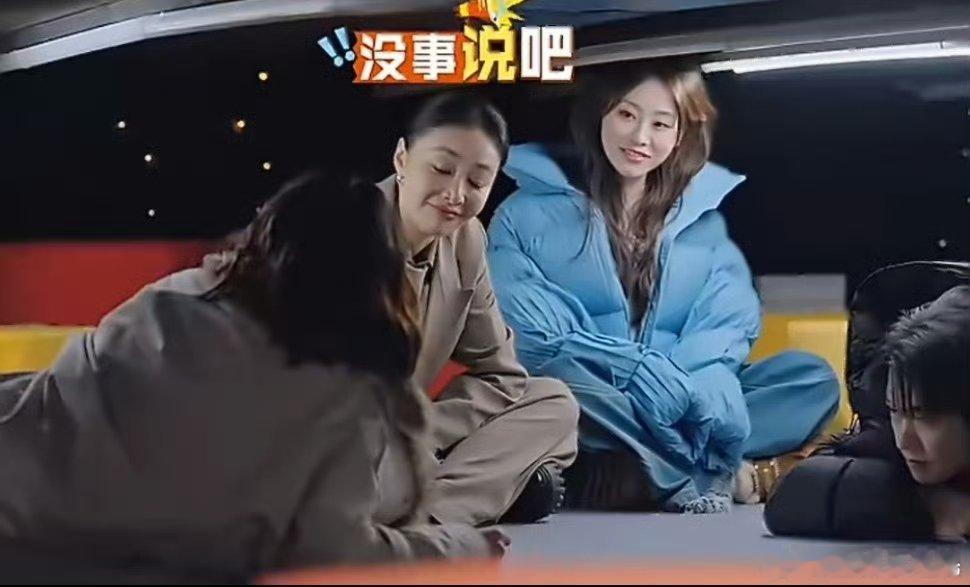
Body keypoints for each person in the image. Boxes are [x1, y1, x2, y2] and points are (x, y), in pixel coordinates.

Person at [0, 172, 504, 580]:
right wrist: (460, 547)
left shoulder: (172, 303)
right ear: (379, 273)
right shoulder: (346, 394)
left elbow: (66, 395)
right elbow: (332, 552)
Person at [486, 60, 840, 513]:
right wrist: (638, 370)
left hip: (681, 400)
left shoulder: (702, 221)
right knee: (560, 385)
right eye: (626, 115)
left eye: (660, 123)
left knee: (810, 378)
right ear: (598, 115)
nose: (640, 138)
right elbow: (535, 336)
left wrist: (692, 387)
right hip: (596, 398)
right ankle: (700, 472)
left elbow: (727, 324)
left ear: (681, 134)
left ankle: (636, 469)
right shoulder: (524, 214)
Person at [377, 91, 579, 526]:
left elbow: (501, 375)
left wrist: (425, 430)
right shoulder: (340, 225)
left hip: (405, 440)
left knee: (552, 402)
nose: (456, 193)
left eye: (476, 181)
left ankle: (430, 517)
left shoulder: (466, 241)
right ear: (401, 158)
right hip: (328, 445)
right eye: (441, 168)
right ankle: (486, 490)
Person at [766, 285, 970, 542]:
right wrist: (927, 508)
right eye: (895, 411)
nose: (905, 441)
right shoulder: (885, 437)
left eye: (924, 416)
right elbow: (794, 496)